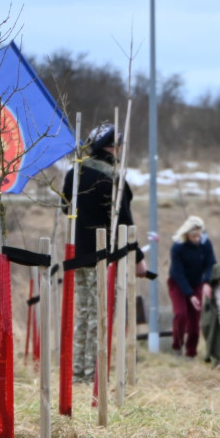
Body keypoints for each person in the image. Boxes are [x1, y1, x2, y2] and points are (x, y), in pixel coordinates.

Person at [61, 122, 143, 383]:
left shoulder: (74, 173)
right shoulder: (112, 179)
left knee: (83, 314)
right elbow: (124, 223)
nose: (120, 149)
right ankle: (93, 375)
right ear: (111, 147)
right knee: (99, 315)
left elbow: (66, 208)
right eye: (118, 145)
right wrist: (138, 259)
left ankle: (78, 373)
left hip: (77, 253)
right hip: (103, 256)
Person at [168, 216, 216, 359]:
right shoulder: (178, 247)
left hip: (197, 284)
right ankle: (177, 345)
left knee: (195, 322)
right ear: (187, 234)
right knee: (181, 314)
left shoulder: (206, 244)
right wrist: (190, 295)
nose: (197, 238)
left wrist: (207, 282)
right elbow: (178, 272)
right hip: (178, 284)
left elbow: (210, 264)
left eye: (199, 235)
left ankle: (191, 353)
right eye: (194, 236)